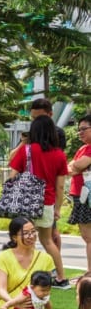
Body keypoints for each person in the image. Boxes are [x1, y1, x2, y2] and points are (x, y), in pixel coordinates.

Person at [9, 116, 70, 289]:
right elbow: (60, 187)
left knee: (24, 239)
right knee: (47, 241)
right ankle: (61, 278)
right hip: (47, 202)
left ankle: (23, 275)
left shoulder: (26, 151)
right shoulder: (59, 155)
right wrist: (57, 208)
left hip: (26, 202)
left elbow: (12, 177)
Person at [67, 114, 91, 272]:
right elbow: (70, 168)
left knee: (89, 237)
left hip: (87, 197)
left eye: (84, 129)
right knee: (86, 237)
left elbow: (75, 167)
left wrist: (75, 167)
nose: (80, 132)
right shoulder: (83, 148)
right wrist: (75, 167)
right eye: (78, 130)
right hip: (80, 196)